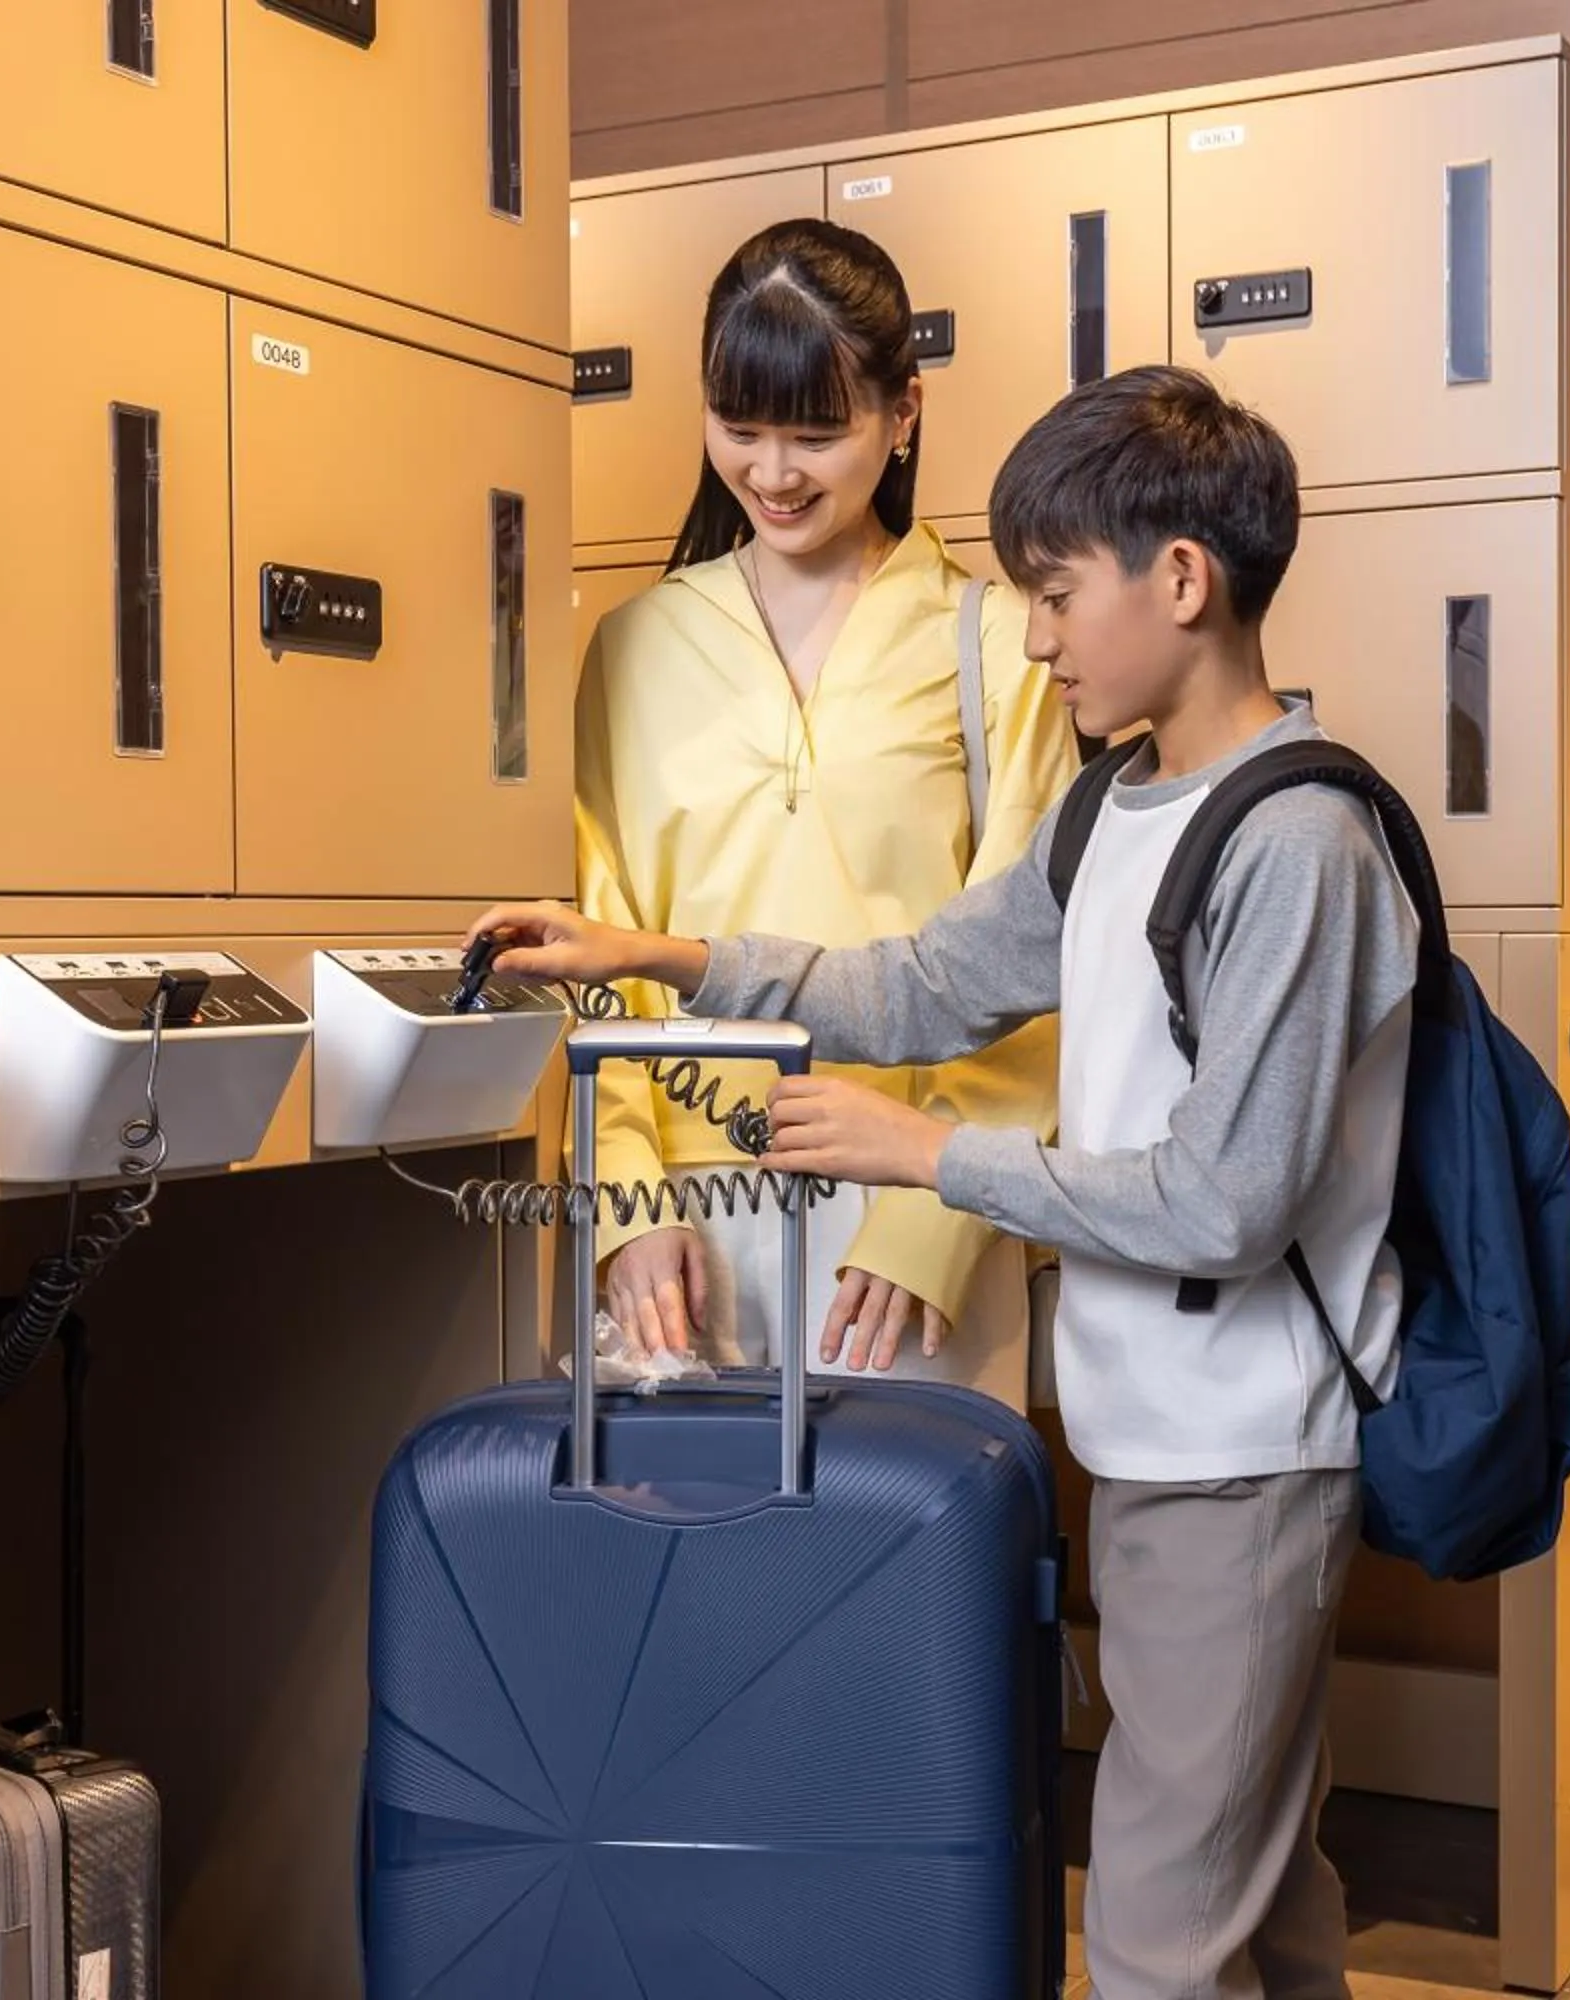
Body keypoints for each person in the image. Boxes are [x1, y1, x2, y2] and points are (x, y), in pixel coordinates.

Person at [476, 363, 1419, 2000]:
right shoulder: (1113, 812)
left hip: (1246, 1451)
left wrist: (926, 1157)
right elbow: (916, 986)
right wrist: (655, 953)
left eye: (1056, 595)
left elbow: (1226, 1203)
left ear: (1178, 581)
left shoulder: (1295, 844)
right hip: (1159, 1433)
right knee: (1261, 1903)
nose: (1033, 643)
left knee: (1158, 1944)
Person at [570, 216, 1078, 1402]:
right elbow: (598, 948)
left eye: (815, 434)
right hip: (683, 1236)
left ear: (904, 413)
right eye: (738, 428)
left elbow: (1037, 968)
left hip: (915, 1223)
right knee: (676, 1531)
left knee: (916, 1529)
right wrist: (624, 1207)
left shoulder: (999, 643)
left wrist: (930, 1220)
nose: (773, 473)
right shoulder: (632, 647)